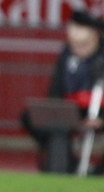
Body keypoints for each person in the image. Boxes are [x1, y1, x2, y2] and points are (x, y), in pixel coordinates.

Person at [22, 10, 104, 173]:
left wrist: (101, 119)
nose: (79, 49)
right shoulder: (67, 55)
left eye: (84, 45)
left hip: (99, 111)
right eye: (75, 45)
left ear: (95, 37)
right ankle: (63, 162)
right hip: (72, 111)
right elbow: (56, 90)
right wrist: (57, 111)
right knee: (31, 118)